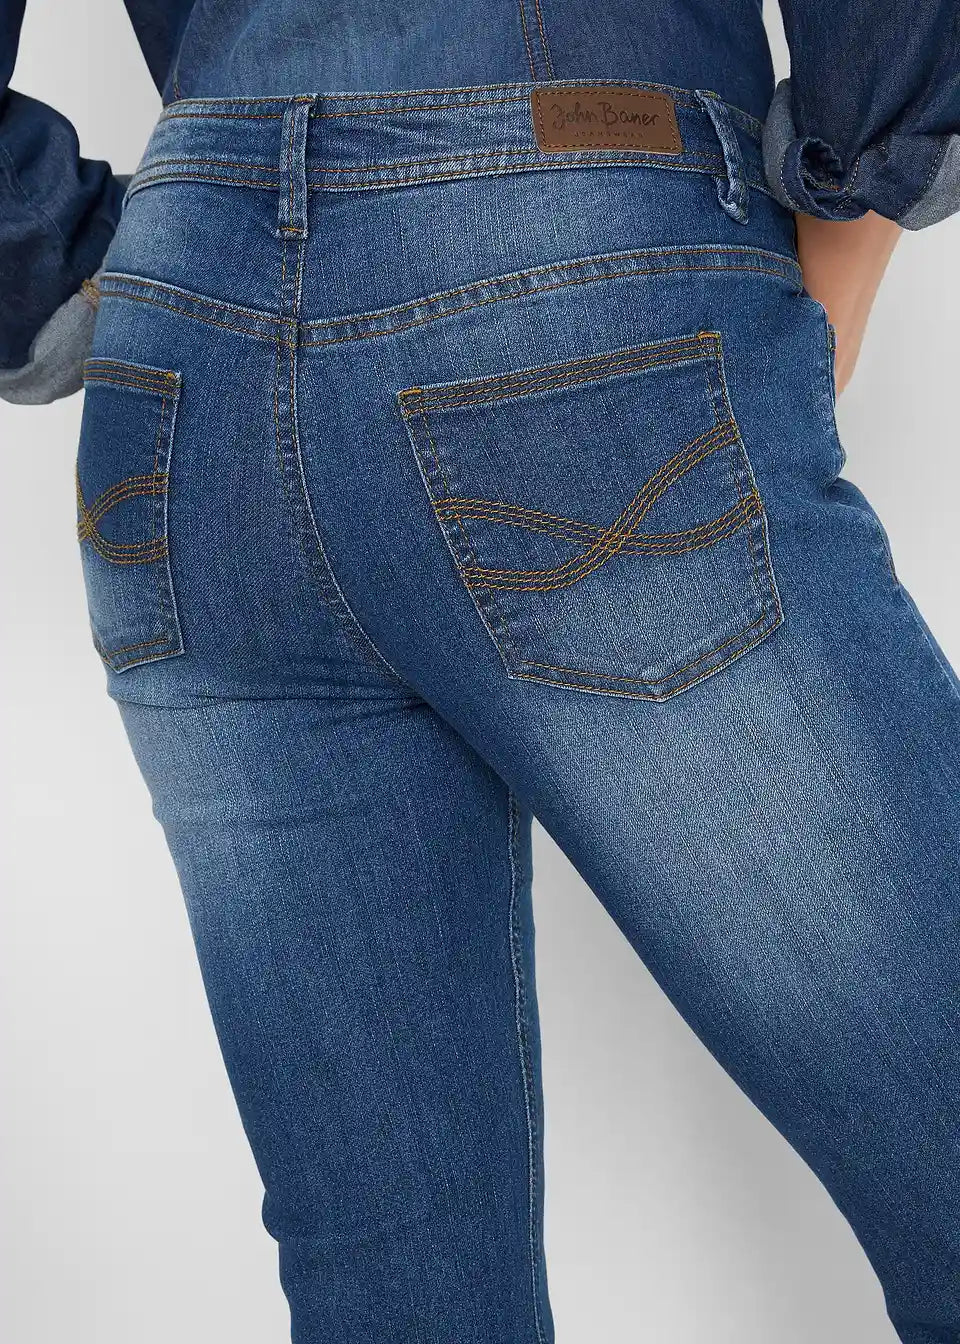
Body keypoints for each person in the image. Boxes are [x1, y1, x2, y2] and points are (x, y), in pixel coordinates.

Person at [3, 4, 959, 1341]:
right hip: (573, 243)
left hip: (183, 355)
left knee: (399, 1291)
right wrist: (860, 193)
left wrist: (48, 269)